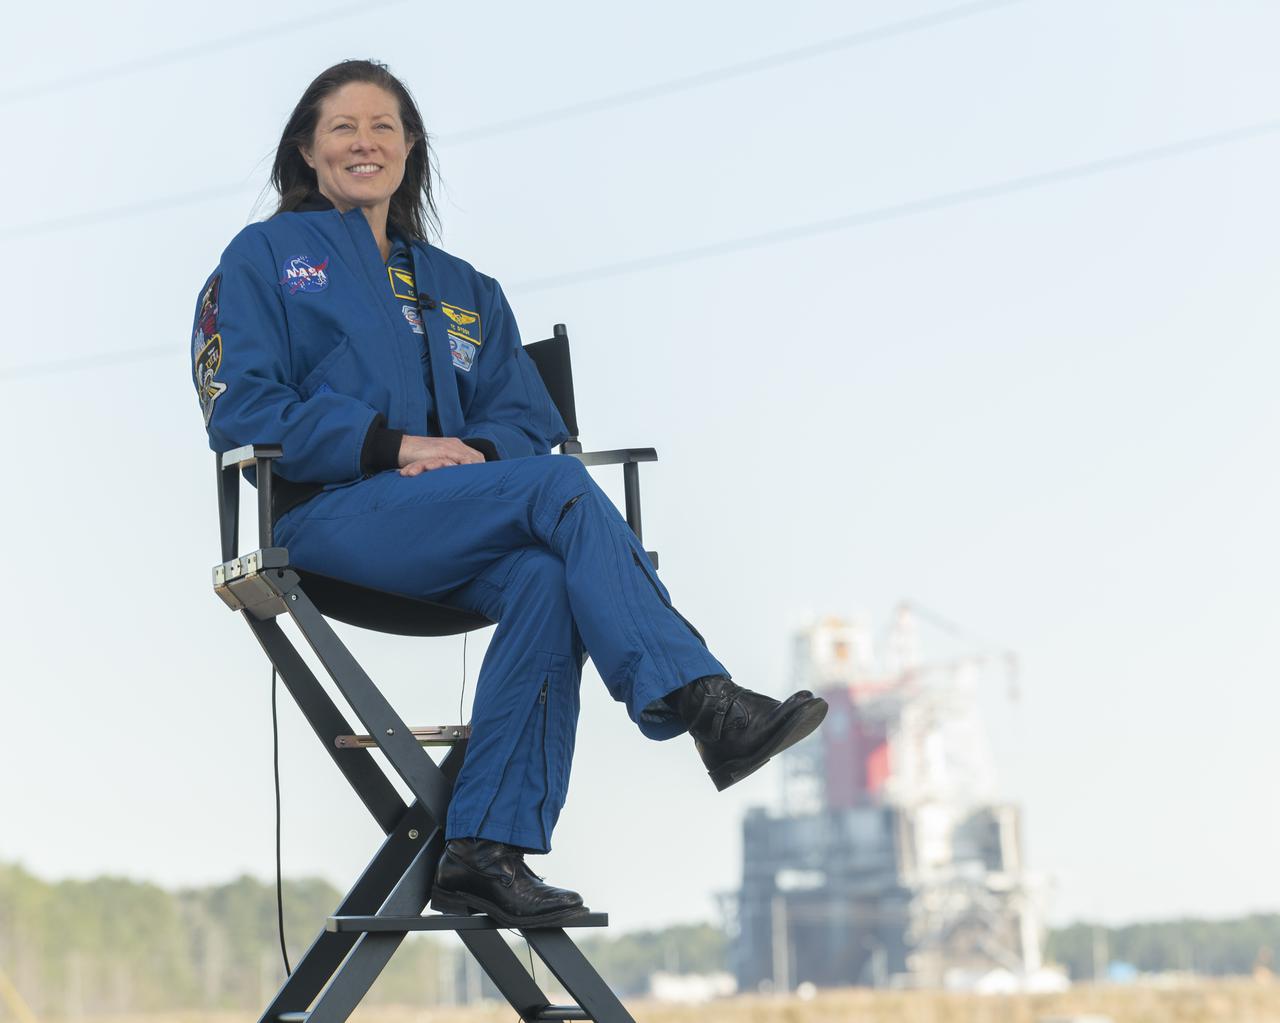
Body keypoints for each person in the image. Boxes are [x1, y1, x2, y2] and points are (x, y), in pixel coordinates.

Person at [191, 59, 827, 927]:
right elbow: (243, 408)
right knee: (560, 488)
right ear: (307, 148)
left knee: (548, 577)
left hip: (459, 519)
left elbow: (525, 416)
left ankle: (484, 851)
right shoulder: (263, 259)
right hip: (329, 517)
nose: (365, 143)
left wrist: (472, 455)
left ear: (410, 148)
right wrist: (395, 446)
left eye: (384, 127)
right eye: (343, 127)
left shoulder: (463, 289)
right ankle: (704, 701)